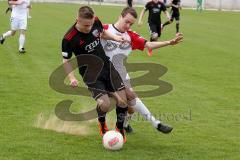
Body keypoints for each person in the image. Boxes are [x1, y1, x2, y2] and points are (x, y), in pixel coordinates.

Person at [101, 7, 183, 133]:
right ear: (120, 16)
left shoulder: (130, 36)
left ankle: (125, 125)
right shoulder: (104, 29)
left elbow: (149, 45)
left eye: (131, 24)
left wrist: (170, 42)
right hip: (104, 75)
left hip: (122, 74)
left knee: (131, 108)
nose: (128, 26)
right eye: (126, 22)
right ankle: (156, 123)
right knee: (130, 98)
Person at [61, 6, 131, 142]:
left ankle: (119, 128)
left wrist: (116, 38)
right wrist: (72, 77)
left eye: (91, 24)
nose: (89, 28)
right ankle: (102, 122)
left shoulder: (96, 21)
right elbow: (66, 60)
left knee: (123, 101)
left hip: (107, 66)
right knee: (105, 104)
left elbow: (102, 33)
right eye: (86, 25)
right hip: (90, 74)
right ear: (77, 20)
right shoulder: (69, 38)